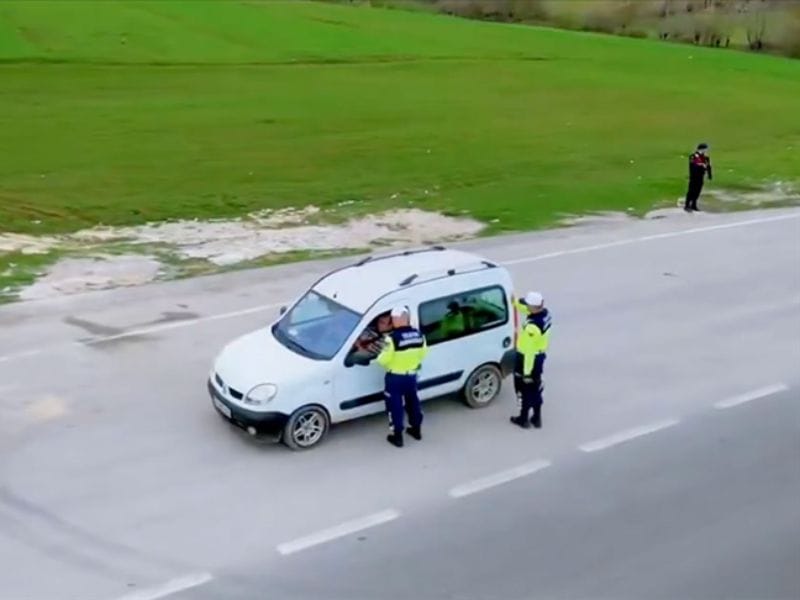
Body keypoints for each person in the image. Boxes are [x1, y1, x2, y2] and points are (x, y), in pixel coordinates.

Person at [376, 305, 428, 447]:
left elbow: (382, 360)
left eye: (393, 319)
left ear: (396, 320)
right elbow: (423, 354)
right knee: (413, 402)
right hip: (411, 376)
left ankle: (397, 437)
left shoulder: (392, 339)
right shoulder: (419, 335)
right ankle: (416, 430)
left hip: (395, 378)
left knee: (395, 406)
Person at [511, 291, 551, 429]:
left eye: (528, 305)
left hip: (528, 361)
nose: (525, 307)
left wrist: (526, 372)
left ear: (534, 307)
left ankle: (523, 419)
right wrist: (514, 302)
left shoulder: (532, 327)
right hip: (539, 357)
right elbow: (525, 309)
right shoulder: (545, 314)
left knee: (523, 390)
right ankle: (536, 417)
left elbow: (529, 352)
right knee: (536, 388)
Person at [684, 142, 712, 212]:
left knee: (698, 191)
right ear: (702, 149)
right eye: (705, 149)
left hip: (700, 176)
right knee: (691, 191)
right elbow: (693, 166)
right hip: (694, 177)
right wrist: (701, 166)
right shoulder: (693, 156)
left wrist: (709, 175)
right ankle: (687, 205)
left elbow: (708, 166)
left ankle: (694, 205)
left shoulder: (706, 158)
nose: (706, 151)